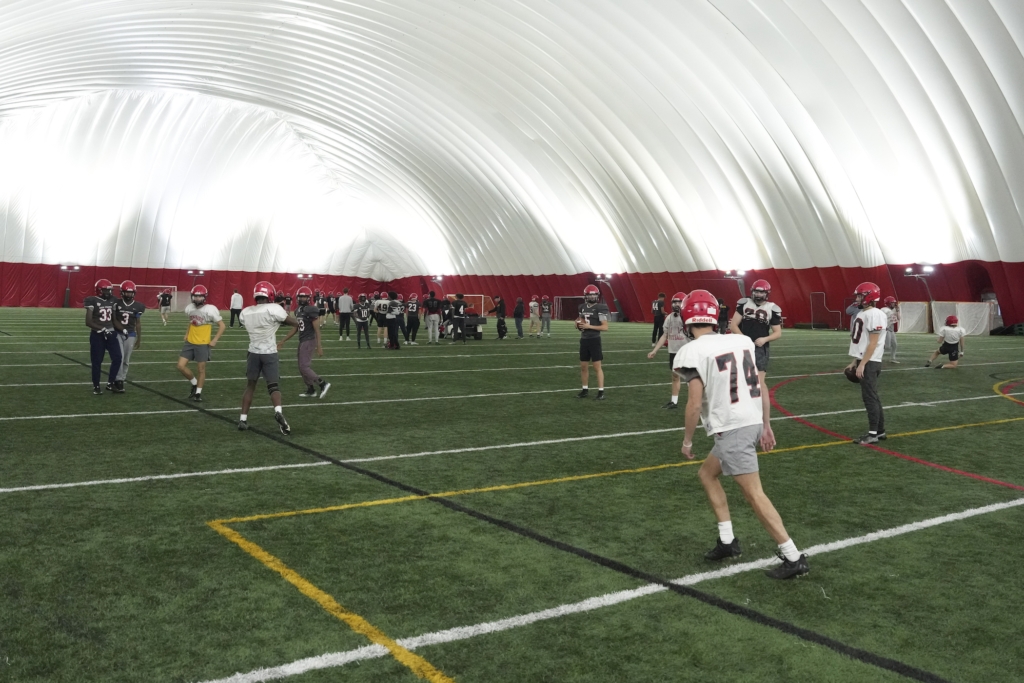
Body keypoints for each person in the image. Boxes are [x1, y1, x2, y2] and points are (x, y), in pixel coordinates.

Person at [673, 289, 808, 580]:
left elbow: (695, 402)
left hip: (733, 428)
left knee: (754, 494)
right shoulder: (741, 340)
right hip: (750, 420)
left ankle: (793, 556)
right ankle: (727, 541)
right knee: (707, 474)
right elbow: (759, 385)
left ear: (687, 318)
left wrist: (686, 441)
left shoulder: (691, 351)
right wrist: (766, 424)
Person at [238, 281, 299, 434]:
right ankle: (278, 411)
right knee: (273, 386)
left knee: (250, 386)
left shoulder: (246, 312)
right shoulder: (274, 309)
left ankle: (243, 419)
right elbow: (294, 323)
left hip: (253, 352)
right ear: (270, 294)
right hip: (269, 353)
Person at [729, 279, 782, 422]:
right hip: (743, 347)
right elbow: (733, 325)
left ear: (767, 293)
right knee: (741, 379)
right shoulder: (744, 303)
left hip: (760, 348)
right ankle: (744, 408)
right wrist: (744, 340)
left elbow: (777, 332)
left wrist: (765, 339)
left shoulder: (772, 308)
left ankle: (762, 414)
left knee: (759, 381)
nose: (758, 295)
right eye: (756, 291)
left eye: (761, 292)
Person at [846, 282, 888, 445]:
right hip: (866, 360)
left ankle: (873, 434)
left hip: (870, 362)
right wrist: (855, 361)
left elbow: (873, 343)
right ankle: (880, 431)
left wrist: (862, 364)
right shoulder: (864, 313)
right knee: (873, 397)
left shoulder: (875, 314)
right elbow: (863, 343)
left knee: (870, 397)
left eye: (860, 295)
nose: (857, 298)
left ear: (870, 296)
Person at [277, 286, 331, 398]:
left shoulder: (311, 310)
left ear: (309, 298)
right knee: (301, 367)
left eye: (304, 297)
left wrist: (319, 346)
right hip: (302, 340)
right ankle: (311, 389)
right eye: (300, 296)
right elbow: (296, 327)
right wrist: (283, 341)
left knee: (304, 367)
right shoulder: (298, 310)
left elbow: (317, 329)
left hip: (309, 340)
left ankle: (322, 383)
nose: (302, 299)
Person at [177, 284, 225, 402]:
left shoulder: (210, 309)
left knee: (201, 369)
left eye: (200, 296)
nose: (197, 299)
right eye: (195, 296)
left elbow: (222, 326)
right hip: (190, 341)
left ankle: (198, 393)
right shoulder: (189, 308)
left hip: (203, 342)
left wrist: (214, 340)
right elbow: (191, 322)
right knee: (180, 366)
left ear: (204, 297)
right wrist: (187, 333)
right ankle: (194, 383)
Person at [84, 279, 125, 395]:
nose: (108, 292)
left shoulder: (113, 300)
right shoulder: (92, 300)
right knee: (97, 361)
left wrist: (123, 329)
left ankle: (110, 383)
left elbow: (113, 319)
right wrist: (102, 329)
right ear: (99, 290)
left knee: (117, 358)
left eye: (109, 290)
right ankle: (96, 386)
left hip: (111, 333)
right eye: (105, 290)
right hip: (97, 334)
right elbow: (88, 322)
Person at [647, 292, 688, 408]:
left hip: (686, 351)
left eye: (679, 302)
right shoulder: (669, 317)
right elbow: (664, 335)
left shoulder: (688, 317)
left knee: (692, 379)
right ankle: (674, 401)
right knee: (675, 376)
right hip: (674, 351)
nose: (676, 304)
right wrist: (655, 350)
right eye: (674, 302)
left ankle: (696, 402)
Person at [576, 285, 609, 400]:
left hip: (594, 339)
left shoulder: (601, 307)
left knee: (597, 367)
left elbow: (605, 327)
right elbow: (581, 320)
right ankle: (585, 389)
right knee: (583, 366)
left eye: (594, 294)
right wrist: (578, 323)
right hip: (584, 339)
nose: (592, 296)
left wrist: (588, 326)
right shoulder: (582, 307)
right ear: (586, 296)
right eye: (590, 294)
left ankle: (601, 392)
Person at [112, 280, 145, 392]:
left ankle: (121, 378)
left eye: (130, 293)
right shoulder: (117, 303)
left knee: (126, 359)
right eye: (126, 292)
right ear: (122, 292)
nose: (128, 295)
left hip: (130, 334)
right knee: (119, 357)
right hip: (118, 333)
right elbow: (114, 319)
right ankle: (118, 380)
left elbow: (138, 323)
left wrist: (139, 338)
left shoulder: (138, 306)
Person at [880, 296, 900, 363]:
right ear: (888, 303)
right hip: (886, 329)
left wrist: (897, 311)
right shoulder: (886, 310)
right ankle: (876, 357)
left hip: (891, 329)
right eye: (892, 303)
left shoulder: (888, 310)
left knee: (894, 344)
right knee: (887, 346)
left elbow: (898, 318)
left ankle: (892, 358)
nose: (894, 304)